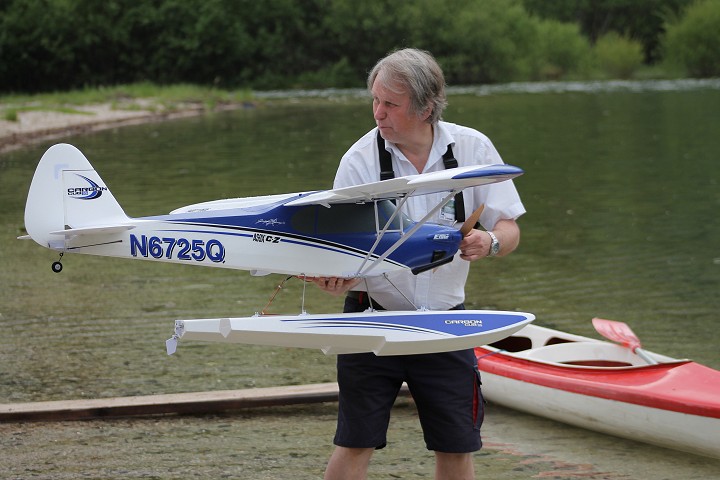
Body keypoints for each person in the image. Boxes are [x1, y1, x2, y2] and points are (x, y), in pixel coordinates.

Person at [311, 48, 525, 480]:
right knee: (354, 443)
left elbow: (509, 228)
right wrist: (332, 278)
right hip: (370, 322)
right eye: (375, 100)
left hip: (446, 326)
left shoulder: (473, 147)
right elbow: (336, 252)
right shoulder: (358, 162)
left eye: (390, 104)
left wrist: (490, 242)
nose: (378, 113)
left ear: (426, 107)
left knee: (457, 446)